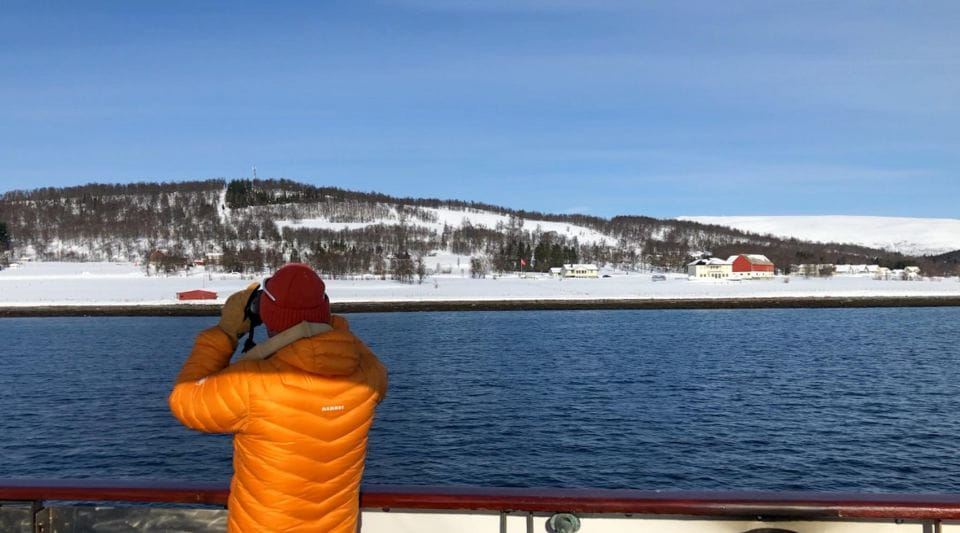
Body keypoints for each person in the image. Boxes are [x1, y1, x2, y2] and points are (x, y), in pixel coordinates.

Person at [168, 263, 388, 533]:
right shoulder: (366, 377)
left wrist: (226, 331)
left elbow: (185, 399)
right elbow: (351, 347)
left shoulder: (253, 383)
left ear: (269, 315)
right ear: (326, 312)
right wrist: (319, 317)